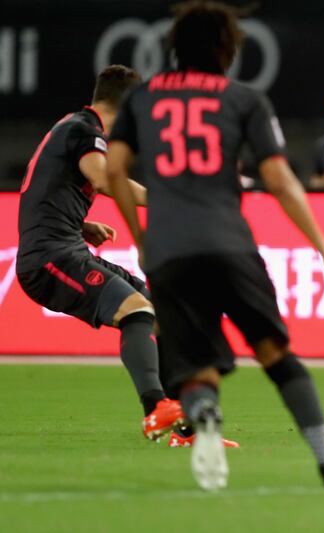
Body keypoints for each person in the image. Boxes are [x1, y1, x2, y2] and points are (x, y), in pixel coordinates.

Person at [106, 1, 324, 491]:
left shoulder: (141, 100)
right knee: (276, 355)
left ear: (174, 46)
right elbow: (281, 182)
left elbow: (115, 171)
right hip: (229, 245)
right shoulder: (244, 99)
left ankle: (203, 418)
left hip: (170, 253)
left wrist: (142, 240)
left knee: (198, 368)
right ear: (227, 49)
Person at [15, 65, 186, 442]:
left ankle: (181, 424)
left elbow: (41, 189)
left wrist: (80, 225)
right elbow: (105, 179)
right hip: (49, 259)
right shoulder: (84, 133)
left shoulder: (71, 127)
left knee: (157, 307)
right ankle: (156, 409)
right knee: (136, 310)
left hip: (66, 246)